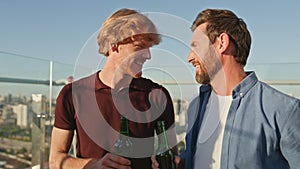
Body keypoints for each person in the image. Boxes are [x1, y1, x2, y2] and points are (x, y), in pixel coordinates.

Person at [152, 8, 300, 169]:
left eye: (196, 46)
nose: (189, 57)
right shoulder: (195, 107)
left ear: (222, 42)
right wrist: (179, 164)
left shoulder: (284, 111)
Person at [49, 8, 176, 169]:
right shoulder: (73, 94)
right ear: (114, 45)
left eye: (149, 48)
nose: (148, 55)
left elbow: (172, 154)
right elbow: (55, 160)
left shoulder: (158, 96)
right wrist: (95, 165)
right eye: (140, 47)